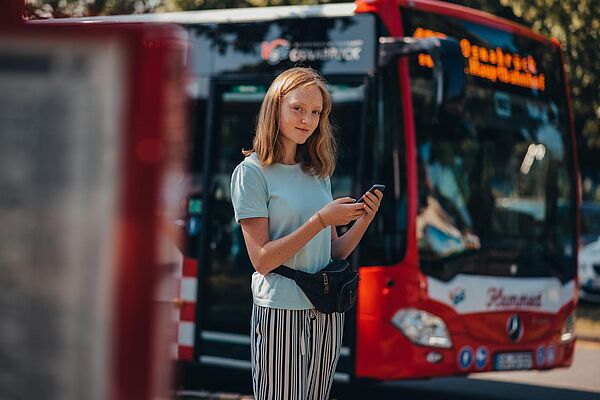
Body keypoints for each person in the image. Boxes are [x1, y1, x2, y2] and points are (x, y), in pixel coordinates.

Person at [230, 67, 383, 400]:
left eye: (316, 112)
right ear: (276, 107)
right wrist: (320, 219)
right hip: (281, 309)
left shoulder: (316, 172)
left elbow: (333, 254)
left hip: (326, 309)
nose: (307, 119)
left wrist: (363, 219)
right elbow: (262, 259)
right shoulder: (251, 173)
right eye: (298, 108)